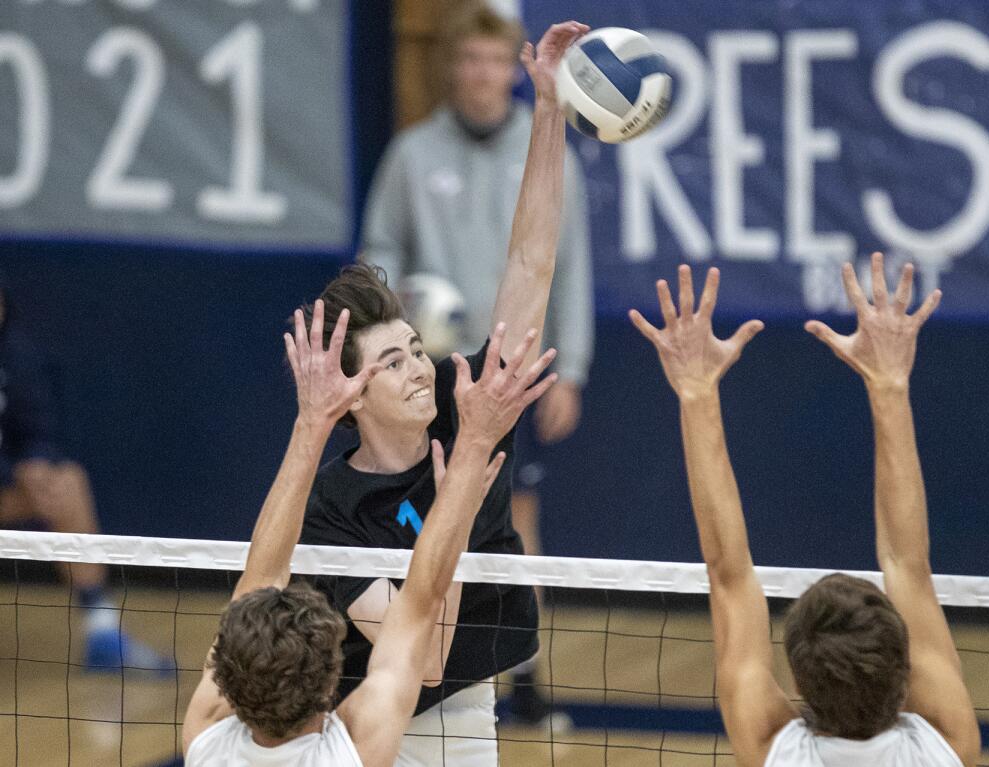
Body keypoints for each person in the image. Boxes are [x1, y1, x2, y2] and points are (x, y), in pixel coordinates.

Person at [299, 19, 588, 765]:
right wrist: (461, 479)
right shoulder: (333, 508)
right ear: (355, 391)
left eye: (415, 351)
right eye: (394, 362)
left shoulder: (470, 409)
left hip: (465, 716)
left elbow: (530, 263)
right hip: (369, 726)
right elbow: (419, 657)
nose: (421, 367)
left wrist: (550, 113)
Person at [630, 256, 980, 767]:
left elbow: (729, 574)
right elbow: (908, 563)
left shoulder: (774, 751)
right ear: (906, 670)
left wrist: (696, 392)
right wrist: (890, 384)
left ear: (796, 682)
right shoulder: (949, 745)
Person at [182, 299, 557, 766]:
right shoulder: (348, 753)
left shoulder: (207, 743)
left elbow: (259, 580)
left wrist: (311, 422)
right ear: (327, 692)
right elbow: (420, 619)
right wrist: (475, 449)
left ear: (226, 683)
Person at [0, 275, 172, 673]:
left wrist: (34, 465)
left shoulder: (18, 357)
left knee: (66, 483)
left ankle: (102, 633)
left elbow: (38, 430)